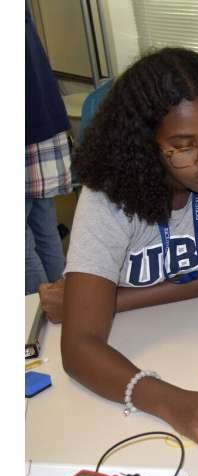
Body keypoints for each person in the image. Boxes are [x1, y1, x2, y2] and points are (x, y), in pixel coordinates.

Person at [51, 47, 198, 448]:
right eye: (182, 146)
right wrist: (169, 401)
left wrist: (109, 299)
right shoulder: (108, 191)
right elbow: (78, 347)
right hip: (130, 348)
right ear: (145, 145)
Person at [25, 7, 73, 295]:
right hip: (41, 119)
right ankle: (64, 309)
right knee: (44, 230)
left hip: (27, 125)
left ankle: (34, 320)